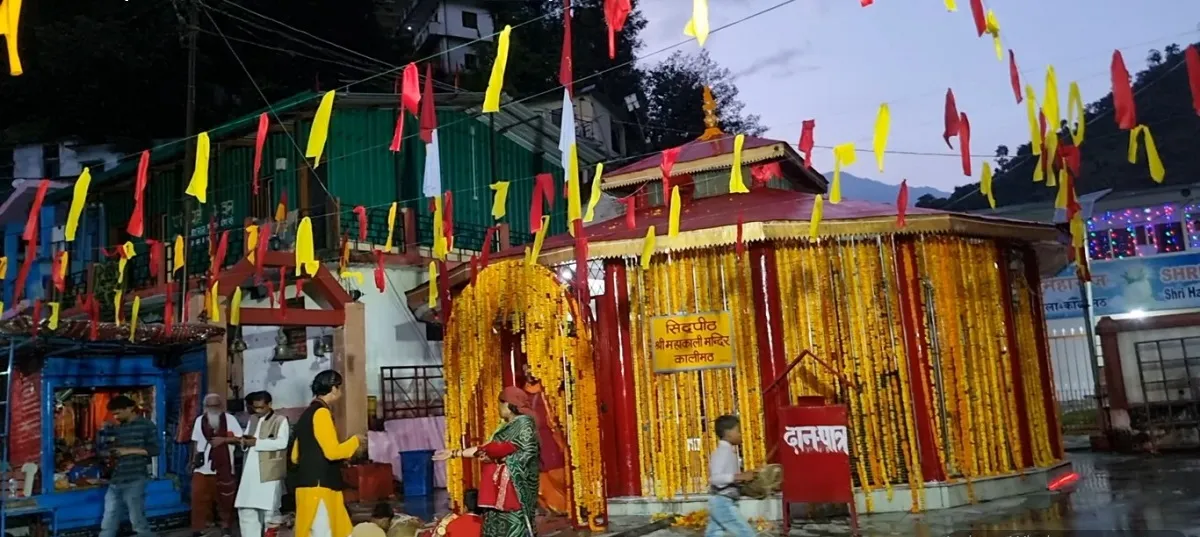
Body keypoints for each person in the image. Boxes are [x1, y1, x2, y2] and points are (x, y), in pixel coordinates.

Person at [434, 387, 539, 537]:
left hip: (513, 491)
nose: (498, 408)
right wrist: (453, 453)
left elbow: (528, 454)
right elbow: (486, 448)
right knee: (494, 526)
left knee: (514, 527)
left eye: (500, 404)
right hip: (496, 491)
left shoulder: (524, 424)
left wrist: (500, 458)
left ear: (509, 405)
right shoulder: (505, 426)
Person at [291, 370, 368, 537]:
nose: (340, 392)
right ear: (334, 388)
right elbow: (332, 452)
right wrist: (355, 441)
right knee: (324, 531)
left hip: (305, 484)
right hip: (320, 486)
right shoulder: (321, 413)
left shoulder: (305, 415)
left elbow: (295, 456)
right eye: (339, 388)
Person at [98, 395, 159, 537]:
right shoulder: (120, 428)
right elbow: (114, 449)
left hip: (135, 478)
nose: (116, 416)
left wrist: (128, 451)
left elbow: (155, 450)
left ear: (130, 408)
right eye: (114, 413)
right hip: (116, 479)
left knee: (137, 518)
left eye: (118, 413)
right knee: (109, 517)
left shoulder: (146, 425)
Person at [236, 391, 290, 537]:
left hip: (269, 472)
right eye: (255, 408)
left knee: (269, 513)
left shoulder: (280, 420)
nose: (258, 411)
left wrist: (256, 443)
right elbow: (246, 439)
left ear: (269, 405)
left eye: (261, 408)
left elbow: (282, 442)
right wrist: (244, 442)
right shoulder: (253, 419)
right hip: (250, 471)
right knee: (246, 509)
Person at [191, 393, 244, 537]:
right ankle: (200, 527)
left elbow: (240, 439)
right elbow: (196, 442)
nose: (212, 409)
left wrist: (224, 440)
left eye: (215, 405)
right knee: (199, 498)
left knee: (225, 499)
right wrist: (193, 461)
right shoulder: (199, 421)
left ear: (221, 406)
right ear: (205, 407)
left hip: (224, 466)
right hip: (202, 467)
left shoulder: (230, 419)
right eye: (209, 406)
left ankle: (225, 527)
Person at [522, 363, 569, 515]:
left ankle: (565, 506)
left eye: (532, 369)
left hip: (550, 437)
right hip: (533, 438)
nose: (530, 373)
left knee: (557, 470)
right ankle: (550, 506)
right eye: (527, 370)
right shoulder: (523, 394)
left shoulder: (549, 391)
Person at [704, 415, 756, 537]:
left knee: (714, 534)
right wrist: (740, 477)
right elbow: (715, 479)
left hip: (720, 501)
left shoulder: (728, 452)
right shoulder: (722, 453)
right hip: (722, 502)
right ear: (728, 433)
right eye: (738, 431)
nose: (740, 434)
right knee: (746, 533)